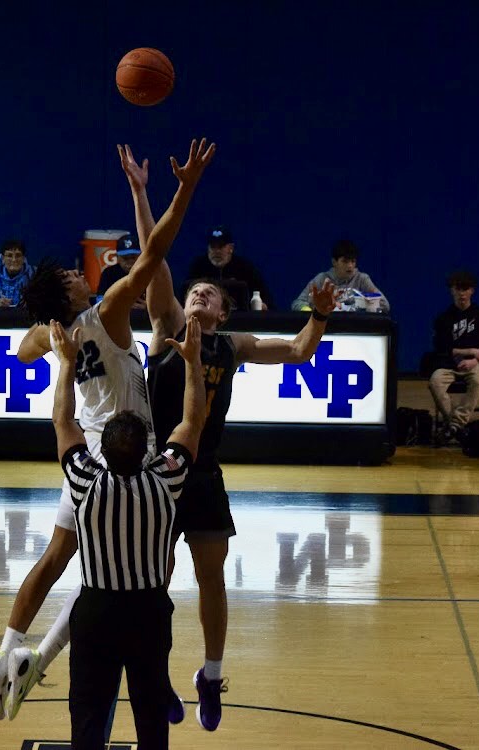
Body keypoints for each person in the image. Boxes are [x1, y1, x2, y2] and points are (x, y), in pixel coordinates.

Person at [0, 138, 215, 722]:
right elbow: (154, 253)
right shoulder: (106, 311)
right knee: (142, 574)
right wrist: (184, 188)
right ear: (71, 294)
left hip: (83, 458)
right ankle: (108, 668)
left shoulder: (50, 333)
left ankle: (11, 650)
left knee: (60, 554)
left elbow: (24, 347)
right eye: (68, 275)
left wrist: (50, 338)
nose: (75, 273)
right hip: (131, 459)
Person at [136, 195, 336, 730]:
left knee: (212, 580)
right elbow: (154, 258)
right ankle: (156, 676)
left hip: (202, 474)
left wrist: (318, 314)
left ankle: (210, 674)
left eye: (211, 294)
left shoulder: (233, 345)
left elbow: (298, 351)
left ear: (223, 312)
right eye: (194, 290)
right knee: (155, 585)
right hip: (156, 474)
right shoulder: (166, 329)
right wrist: (140, 194)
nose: (200, 292)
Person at [50, 316, 204, 750]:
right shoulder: (165, 480)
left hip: (96, 610)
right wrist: (192, 364)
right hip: (149, 612)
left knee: (87, 716)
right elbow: (192, 423)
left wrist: (66, 364)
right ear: (146, 450)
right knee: (151, 719)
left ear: (103, 451)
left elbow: (64, 423)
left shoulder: (84, 481)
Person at [426, 270, 479, 444]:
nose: (462, 293)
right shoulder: (443, 318)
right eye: (458, 289)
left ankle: (454, 426)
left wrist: (475, 360)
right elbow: (442, 348)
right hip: (448, 365)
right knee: (435, 381)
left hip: (476, 364)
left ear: (472, 291)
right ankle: (457, 426)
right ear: (452, 290)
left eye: (465, 289)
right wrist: (472, 350)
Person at [185, 226, 274, 311]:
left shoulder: (245, 268)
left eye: (220, 246)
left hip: (240, 320)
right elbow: (185, 295)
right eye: (213, 247)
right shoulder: (199, 267)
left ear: (231, 248)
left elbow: (265, 298)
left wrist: (263, 305)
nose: (216, 251)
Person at [291, 239, 389, 314]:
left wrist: (365, 302)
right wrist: (313, 312)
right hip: (327, 329)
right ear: (334, 262)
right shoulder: (322, 279)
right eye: (345, 261)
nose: (350, 265)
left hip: (356, 329)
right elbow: (297, 303)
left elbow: (385, 305)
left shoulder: (362, 279)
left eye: (353, 261)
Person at [97, 234, 146, 309]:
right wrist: (120, 305)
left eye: (133, 257)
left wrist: (150, 307)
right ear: (117, 257)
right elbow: (99, 303)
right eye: (125, 258)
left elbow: (164, 303)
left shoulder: (150, 272)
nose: (130, 262)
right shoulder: (109, 273)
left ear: (141, 255)